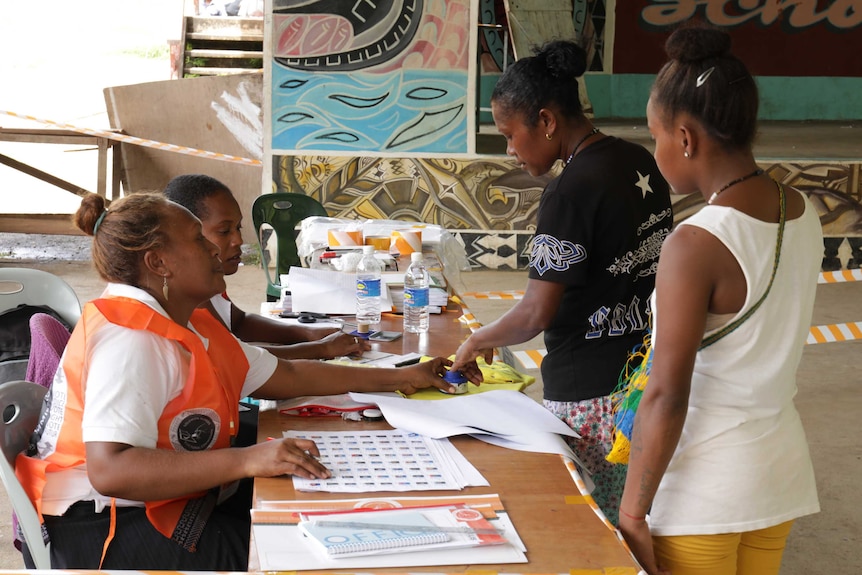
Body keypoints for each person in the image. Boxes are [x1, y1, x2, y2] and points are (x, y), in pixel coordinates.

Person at [16, 192, 473, 571]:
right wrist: (247, 460)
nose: (217, 249)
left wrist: (402, 376)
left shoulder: (184, 317)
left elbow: (286, 373)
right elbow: (111, 470)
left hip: (156, 502)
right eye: (199, 239)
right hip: (100, 530)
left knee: (304, 514)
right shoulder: (133, 339)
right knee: (290, 554)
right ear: (159, 263)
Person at [617, 25, 821, 575]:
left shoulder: (695, 242)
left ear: (685, 137)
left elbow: (665, 393)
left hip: (703, 492)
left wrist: (633, 514)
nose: (655, 148)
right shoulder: (801, 211)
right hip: (777, 477)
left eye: (653, 133)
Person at [450, 39, 672, 525]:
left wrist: (478, 340)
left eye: (510, 135)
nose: (509, 151)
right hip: (641, 380)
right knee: (633, 512)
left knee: (594, 526)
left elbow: (536, 312)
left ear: (547, 121)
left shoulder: (568, 193)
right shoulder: (639, 161)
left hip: (587, 391)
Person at [163, 174, 369, 360]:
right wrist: (320, 348)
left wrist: (305, 334)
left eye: (238, 228)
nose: (238, 240)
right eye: (224, 231)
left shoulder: (209, 281)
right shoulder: (189, 300)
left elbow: (240, 322)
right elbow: (236, 355)